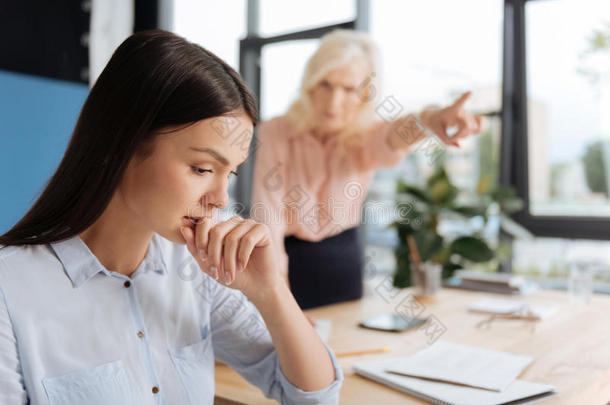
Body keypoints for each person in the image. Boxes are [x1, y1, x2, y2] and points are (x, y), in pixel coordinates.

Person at [0, 30, 342, 405]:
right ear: (121, 147)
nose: (220, 199)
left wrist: (271, 291)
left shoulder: (196, 272)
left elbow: (315, 396)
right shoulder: (10, 291)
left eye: (229, 173)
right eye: (201, 168)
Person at [251, 29, 483, 310]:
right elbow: (269, 216)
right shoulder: (276, 132)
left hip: (342, 261)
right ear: (310, 83)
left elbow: (394, 135)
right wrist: (279, 297)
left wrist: (432, 120)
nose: (334, 102)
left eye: (349, 89)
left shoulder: (363, 136)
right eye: (326, 84)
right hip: (284, 259)